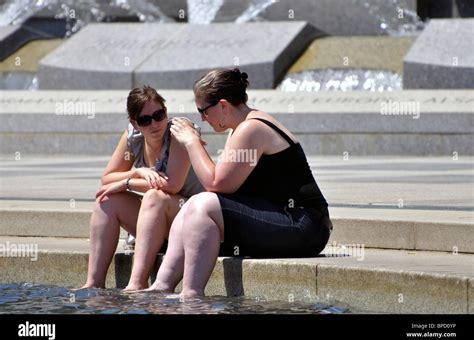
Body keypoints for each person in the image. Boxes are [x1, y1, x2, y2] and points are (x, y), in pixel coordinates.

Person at [148, 68, 333, 297]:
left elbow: (216, 184)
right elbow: (223, 188)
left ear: (223, 105)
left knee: (203, 204)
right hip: (282, 218)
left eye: (203, 110)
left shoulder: (251, 128)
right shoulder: (241, 128)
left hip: (305, 225)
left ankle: (191, 295)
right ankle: (161, 288)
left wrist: (191, 142)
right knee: (190, 210)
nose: (202, 118)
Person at [82, 85, 203, 290]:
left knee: (154, 196)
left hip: (190, 219)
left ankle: (136, 284)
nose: (155, 124)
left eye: (159, 115)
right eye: (145, 120)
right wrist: (136, 172)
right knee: (106, 200)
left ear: (166, 111)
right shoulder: (133, 137)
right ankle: (94, 285)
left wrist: (126, 183)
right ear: (134, 123)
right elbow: (107, 179)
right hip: (157, 222)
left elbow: (171, 185)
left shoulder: (179, 132)